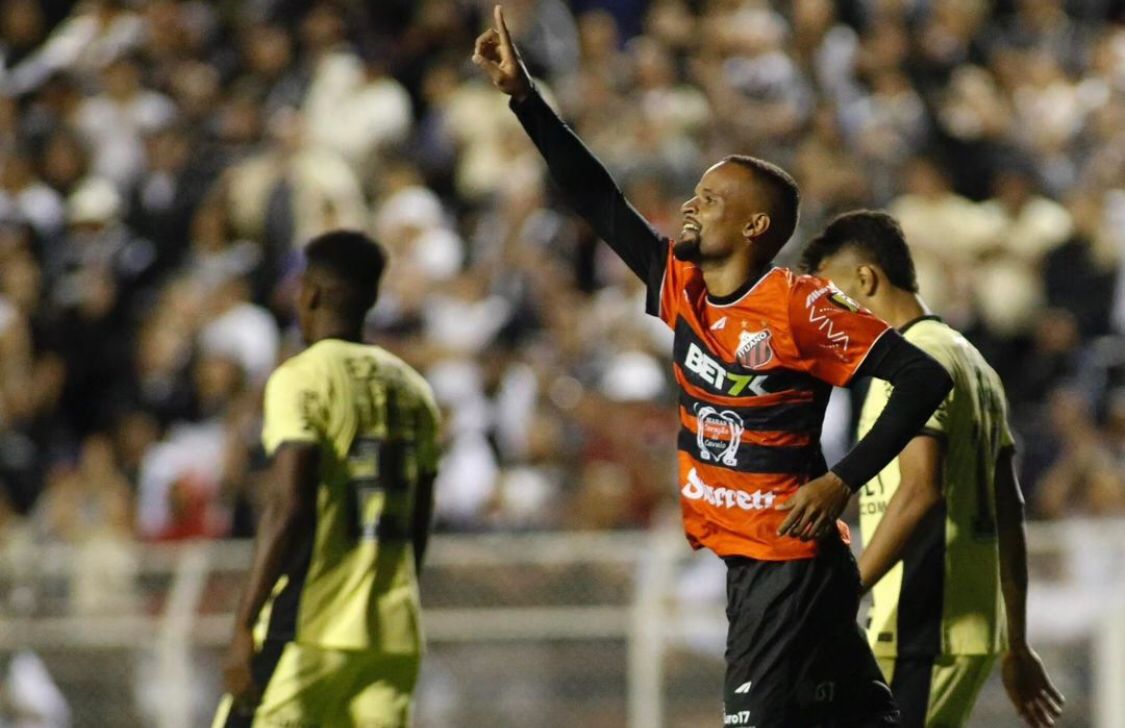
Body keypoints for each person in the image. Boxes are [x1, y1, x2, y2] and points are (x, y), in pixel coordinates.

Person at [474, 7, 953, 726]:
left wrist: (838, 478)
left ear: (754, 227)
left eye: (709, 199)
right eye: (694, 194)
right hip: (762, 567)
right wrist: (523, 97)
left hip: (784, 569)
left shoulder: (798, 307)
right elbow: (596, 199)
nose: (689, 207)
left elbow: (923, 378)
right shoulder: (681, 288)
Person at [799, 210, 1065, 728]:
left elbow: (920, 491)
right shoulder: (974, 363)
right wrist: (1015, 640)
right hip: (956, 628)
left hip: (922, 625)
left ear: (866, 280)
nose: (822, 316)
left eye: (828, 297)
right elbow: (1009, 509)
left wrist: (839, 598)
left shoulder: (917, 360)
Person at [211, 230, 440, 728]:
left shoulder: (303, 375)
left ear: (311, 293)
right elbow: (418, 527)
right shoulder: (414, 389)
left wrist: (244, 624)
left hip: (312, 629)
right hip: (391, 638)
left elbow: (289, 507)